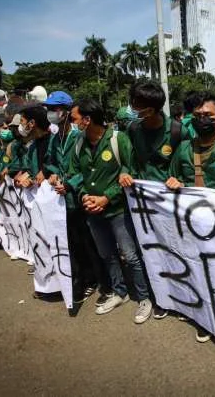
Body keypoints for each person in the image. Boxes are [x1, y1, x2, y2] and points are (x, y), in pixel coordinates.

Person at [165, 91, 215, 363]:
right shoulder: (184, 150)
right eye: (197, 116)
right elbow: (172, 179)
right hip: (194, 230)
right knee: (199, 275)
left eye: (208, 116)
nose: (202, 120)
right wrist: (173, 184)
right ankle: (205, 319)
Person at [67, 98, 153, 324]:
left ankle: (144, 297)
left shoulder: (118, 139)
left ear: (87, 119)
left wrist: (107, 197)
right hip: (93, 212)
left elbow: (130, 170)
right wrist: (84, 196)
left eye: (75, 119)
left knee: (131, 255)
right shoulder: (78, 143)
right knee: (107, 254)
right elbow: (74, 174)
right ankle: (120, 292)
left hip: (117, 210)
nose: (72, 123)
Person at [120, 82, 182, 319]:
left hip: (168, 205)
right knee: (146, 251)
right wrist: (125, 173)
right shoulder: (133, 130)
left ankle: (176, 296)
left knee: (171, 250)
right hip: (141, 203)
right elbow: (129, 161)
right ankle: (151, 297)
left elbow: (187, 163)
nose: (134, 109)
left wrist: (178, 180)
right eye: (134, 104)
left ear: (154, 108)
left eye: (139, 106)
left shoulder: (177, 130)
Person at [43, 91, 108, 315]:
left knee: (90, 243)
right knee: (72, 244)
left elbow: (82, 169)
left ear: (64, 112)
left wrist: (69, 183)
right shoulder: (54, 138)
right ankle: (82, 280)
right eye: (48, 109)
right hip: (62, 203)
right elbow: (50, 163)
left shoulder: (77, 137)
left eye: (54, 109)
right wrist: (51, 175)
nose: (50, 113)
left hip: (79, 198)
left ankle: (101, 282)